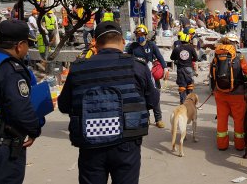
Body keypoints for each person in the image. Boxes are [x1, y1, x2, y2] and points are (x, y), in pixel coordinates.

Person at [58, 21, 159, 184]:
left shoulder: (78, 68)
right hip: (126, 144)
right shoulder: (137, 67)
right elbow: (153, 101)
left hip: (90, 146)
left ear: (95, 43)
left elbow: (63, 105)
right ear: (123, 41)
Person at [0, 20, 42, 184]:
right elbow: (21, 110)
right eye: (28, 44)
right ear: (20, 45)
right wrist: (34, 130)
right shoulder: (9, 69)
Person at [212, 32, 247, 151]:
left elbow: (212, 73)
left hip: (220, 93)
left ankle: (222, 145)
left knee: (222, 119)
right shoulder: (239, 56)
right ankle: (240, 145)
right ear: (235, 43)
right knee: (239, 120)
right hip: (237, 94)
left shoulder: (217, 54)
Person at [126, 24, 168, 128]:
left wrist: (165, 68)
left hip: (151, 74)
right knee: (141, 96)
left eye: (142, 34)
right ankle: (146, 118)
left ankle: (158, 119)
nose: (139, 36)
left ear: (145, 35)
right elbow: (127, 58)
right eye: (138, 34)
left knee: (155, 96)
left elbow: (159, 57)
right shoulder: (133, 47)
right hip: (138, 74)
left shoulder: (151, 45)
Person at [170, 33, 198, 104]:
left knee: (182, 86)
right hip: (189, 68)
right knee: (190, 85)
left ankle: (183, 102)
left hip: (180, 69)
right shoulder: (191, 48)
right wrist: (190, 60)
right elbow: (196, 58)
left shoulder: (177, 49)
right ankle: (190, 102)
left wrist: (178, 58)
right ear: (188, 40)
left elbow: (172, 58)